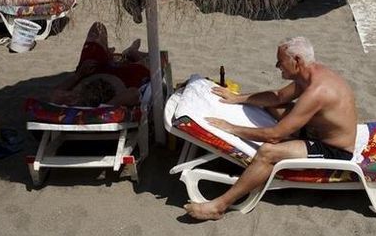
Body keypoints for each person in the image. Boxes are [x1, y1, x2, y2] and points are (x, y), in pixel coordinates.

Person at [184, 37, 358, 220]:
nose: (277, 65)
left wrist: (232, 128)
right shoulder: (310, 74)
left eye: (280, 61)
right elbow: (278, 96)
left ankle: (219, 206)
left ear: (297, 60)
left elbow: (275, 135)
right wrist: (236, 98)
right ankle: (289, 136)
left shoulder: (317, 91)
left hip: (333, 148)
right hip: (316, 129)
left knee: (268, 152)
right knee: (270, 103)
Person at [48, 22, 150, 107]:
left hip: (90, 73)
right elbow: (133, 94)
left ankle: (109, 57)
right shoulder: (99, 113)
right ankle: (131, 54)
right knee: (154, 62)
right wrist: (108, 106)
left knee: (97, 28)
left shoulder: (72, 102)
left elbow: (54, 94)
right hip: (121, 82)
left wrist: (78, 75)